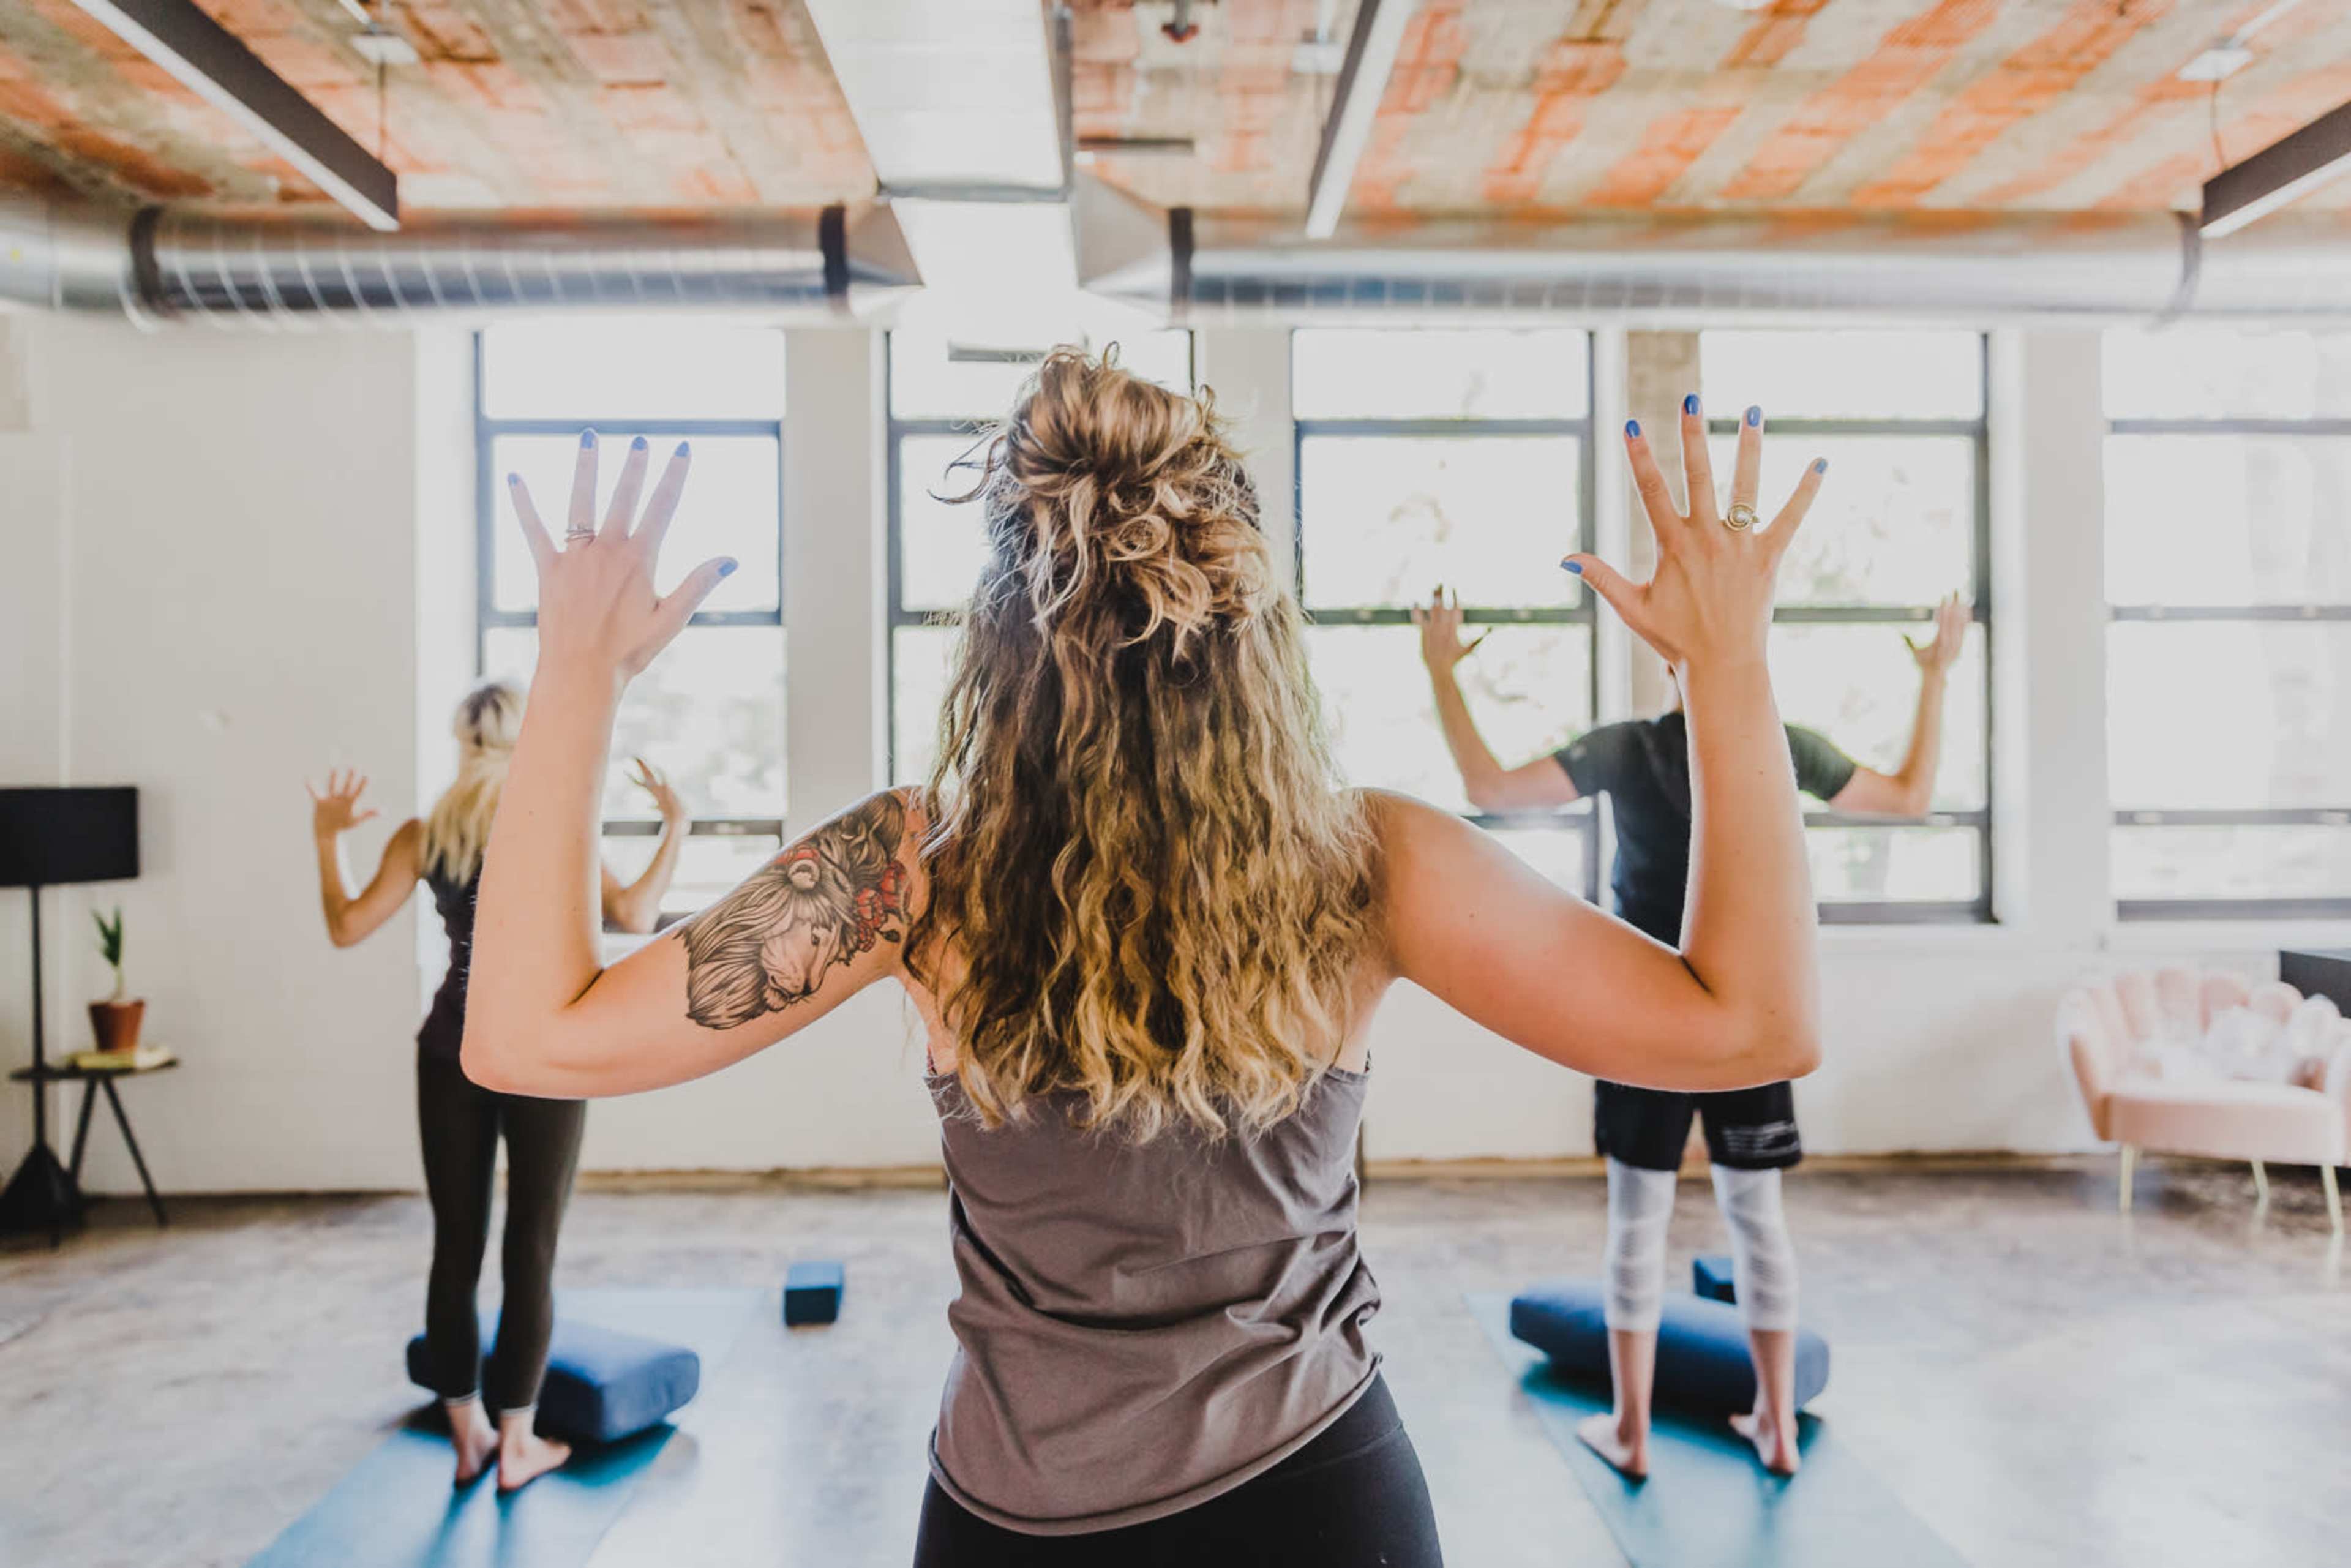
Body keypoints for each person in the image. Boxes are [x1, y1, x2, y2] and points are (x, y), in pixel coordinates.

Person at [459, 362, 1829, 1563]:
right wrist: (1731, 667)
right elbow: (1750, 1026)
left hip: (1021, 1521)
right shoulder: (1373, 868)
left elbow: (526, 1037)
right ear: (1253, 631)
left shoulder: (909, 877)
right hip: (1322, 1504)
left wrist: (577, 670)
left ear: (999, 640)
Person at [1415, 530, 1968, 1479]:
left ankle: (1630, 1433)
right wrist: (1939, 674)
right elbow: (1913, 796)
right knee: (1759, 1221)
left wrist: (1441, 673)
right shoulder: (1779, 746)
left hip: (1647, 1016)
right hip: (1734, 1022)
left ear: (1671, 654)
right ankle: (1779, 1429)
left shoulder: (1628, 747)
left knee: (1637, 1223)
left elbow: (1486, 788)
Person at [306, 680, 690, 1490]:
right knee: (532, 1244)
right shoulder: (554, 821)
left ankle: (467, 1437)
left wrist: (326, 837)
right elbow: (635, 911)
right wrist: (677, 827)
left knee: (456, 1244)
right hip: (542, 1054)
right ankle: (518, 1441)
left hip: (451, 1051)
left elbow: (344, 927)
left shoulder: (426, 832)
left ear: (463, 742)